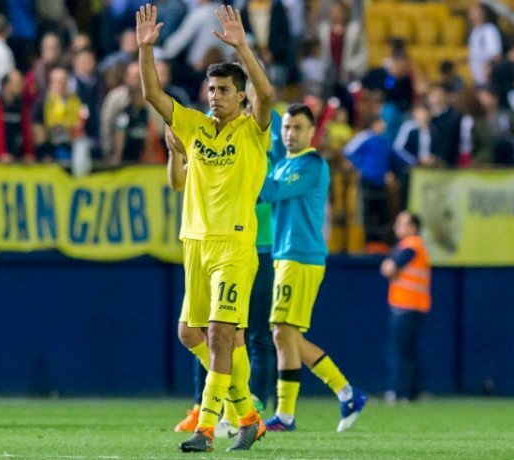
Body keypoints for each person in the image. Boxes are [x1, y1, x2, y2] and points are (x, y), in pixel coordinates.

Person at [136, 4, 274, 452]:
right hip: (194, 243)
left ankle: (208, 429)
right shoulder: (194, 127)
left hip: (233, 245)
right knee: (190, 333)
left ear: (241, 97)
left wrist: (243, 48)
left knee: (219, 334)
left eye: (224, 90)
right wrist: (145, 50)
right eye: (211, 89)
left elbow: (267, 94)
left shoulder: (253, 131)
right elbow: (153, 95)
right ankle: (248, 416)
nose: (215, 96)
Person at [260, 103, 367, 433]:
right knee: (287, 335)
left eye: (298, 128)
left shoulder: (311, 165)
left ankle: (293, 413)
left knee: (282, 332)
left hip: (301, 257)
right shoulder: (285, 162)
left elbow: (270, 191)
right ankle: (342, 395)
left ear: (311, 132)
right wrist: (255, 92)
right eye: (287, 128)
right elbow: (268, 117)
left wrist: (248, 165)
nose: (290, 134)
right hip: (285, 256)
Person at [380, 211, 430, 403]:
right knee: (410, 352)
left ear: (412, 227)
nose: (396, 227)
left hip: (405, 307)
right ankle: (413, 393)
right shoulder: (416, 246)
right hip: (416, 306)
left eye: (400, 223)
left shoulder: (411, 246)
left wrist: (390, 267)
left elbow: (388, 268)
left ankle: (397, 391)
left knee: (399, 352)